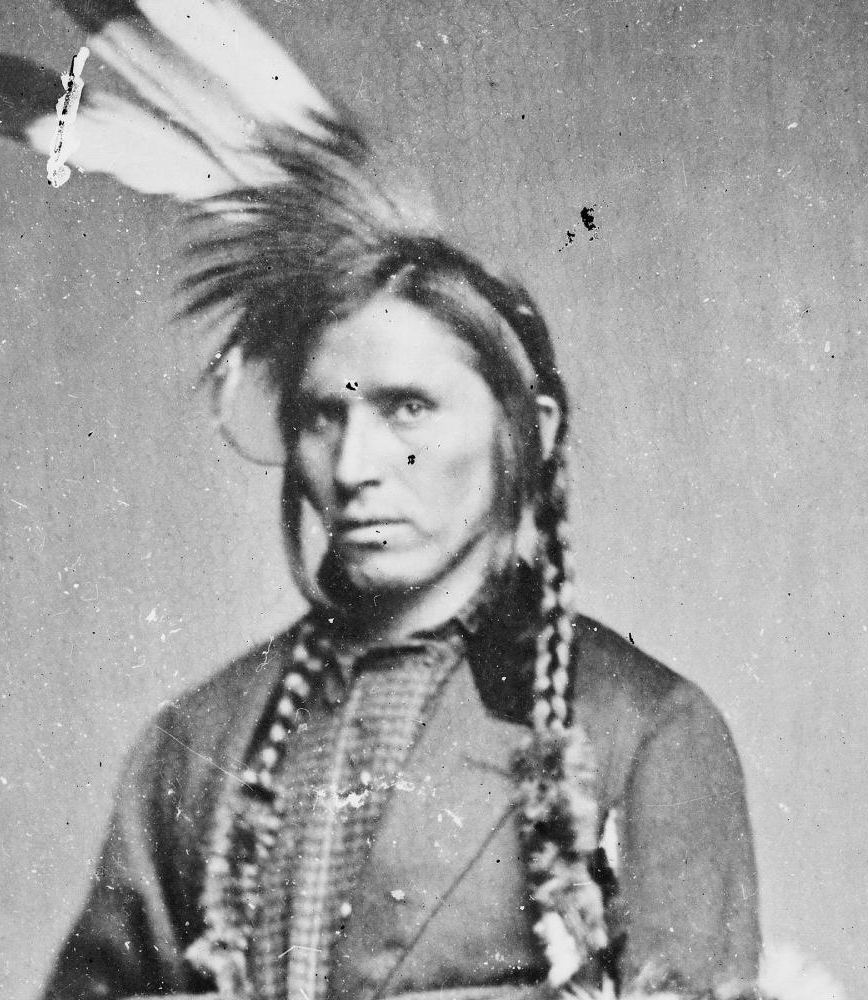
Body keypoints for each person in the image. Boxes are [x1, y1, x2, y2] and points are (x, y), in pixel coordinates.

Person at [39, 237, 760, 1000]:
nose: (353, 467)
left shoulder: (638, 731)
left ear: (530, 428)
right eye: (323, 415)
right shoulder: (198, 743)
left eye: (407, 409)